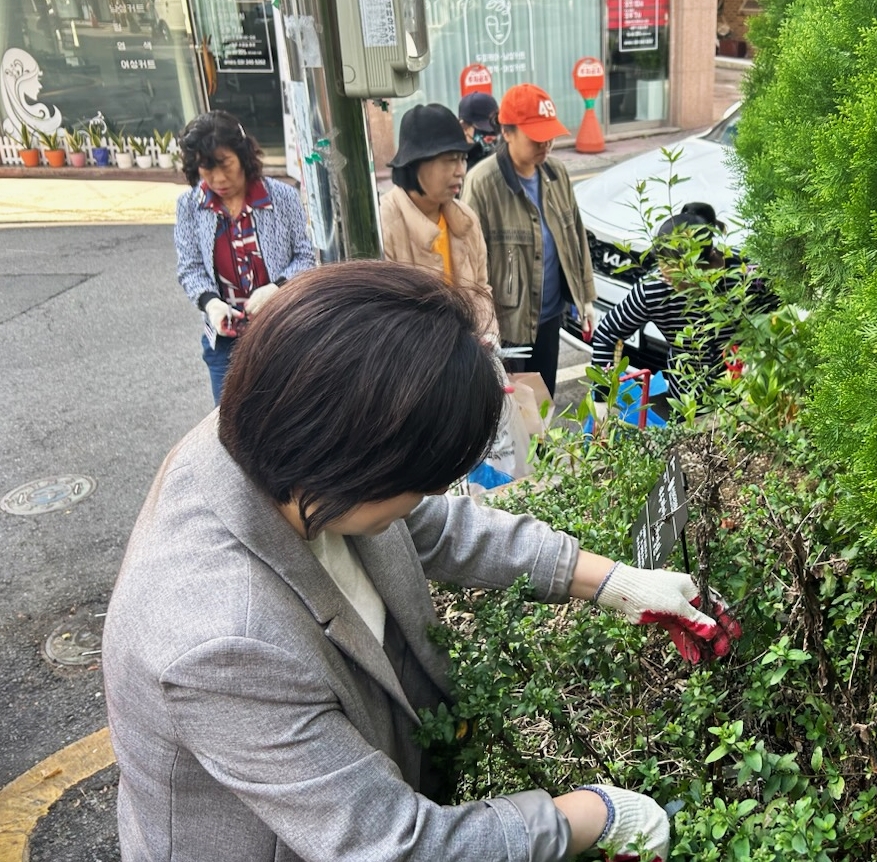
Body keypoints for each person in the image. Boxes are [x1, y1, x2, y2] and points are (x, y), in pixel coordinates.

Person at [103, 260, 741, 862]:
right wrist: (594, 814)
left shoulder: (280, 432)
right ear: (356, 469)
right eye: (422, 479)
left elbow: (425, 525)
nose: (434, 496)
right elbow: (396, 845)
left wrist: (613, 582)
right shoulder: (224, 642)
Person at [462, 82, 597, 397]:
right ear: (507, 132)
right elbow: (470, 261)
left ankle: (542, 448)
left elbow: (575, 233)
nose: (546, 143)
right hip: (507, 325)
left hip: (550, 316)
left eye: (550, 134)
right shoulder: (482, 183)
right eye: (536, 136)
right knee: (513, 416)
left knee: (543, 403)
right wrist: (480, 324)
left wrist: (586, 296)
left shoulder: (556, 173)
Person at [173, 109, 314, 405]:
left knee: (289, 416)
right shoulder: (189, 206)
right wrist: (211, 303)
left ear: (243, 156)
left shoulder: (282, 197)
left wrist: (276, 289)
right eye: (206, 169)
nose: (218, 178)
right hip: (224, 340)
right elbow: (190, 269)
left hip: (282, 330)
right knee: (230, 423)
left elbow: (305, 257)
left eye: (225, 165)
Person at [589, 203, 771, 404]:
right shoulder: (654, 289)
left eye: (679, 278)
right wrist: (601, 398)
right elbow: (607, 333)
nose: (669, 282)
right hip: (687, 400)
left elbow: (783, 319)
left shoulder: (746, 276)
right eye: (665, 272)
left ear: (705, 263)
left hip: (750, 394)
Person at [379, 103, 496, 337]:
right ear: (416, 163)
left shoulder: (466, 219)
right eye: (450, 160)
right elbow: (384, 319)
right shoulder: (384, 225)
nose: (460, 170)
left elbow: (481, 290)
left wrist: (488, 336)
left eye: (462, 159)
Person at [458, 90, 499, 172]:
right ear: (464, 127)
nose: (492, 133)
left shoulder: (504, 160)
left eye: (496, 126)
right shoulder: (459, 166)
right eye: (485, 127)